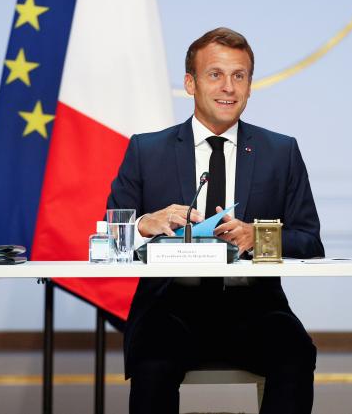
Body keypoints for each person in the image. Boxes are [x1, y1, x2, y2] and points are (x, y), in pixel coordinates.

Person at [106, 27, 324, 414]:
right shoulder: (146, 150)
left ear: (251, 85)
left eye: (239, 76)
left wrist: (259, 236)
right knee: (152, 360)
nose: (229, 87)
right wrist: (145, 224)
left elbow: (309, 240)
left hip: (254, 308)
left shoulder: (280, 152)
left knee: (295, 353)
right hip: (169, 308)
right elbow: (108, 240)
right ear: (190, 83)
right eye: (215, 74)